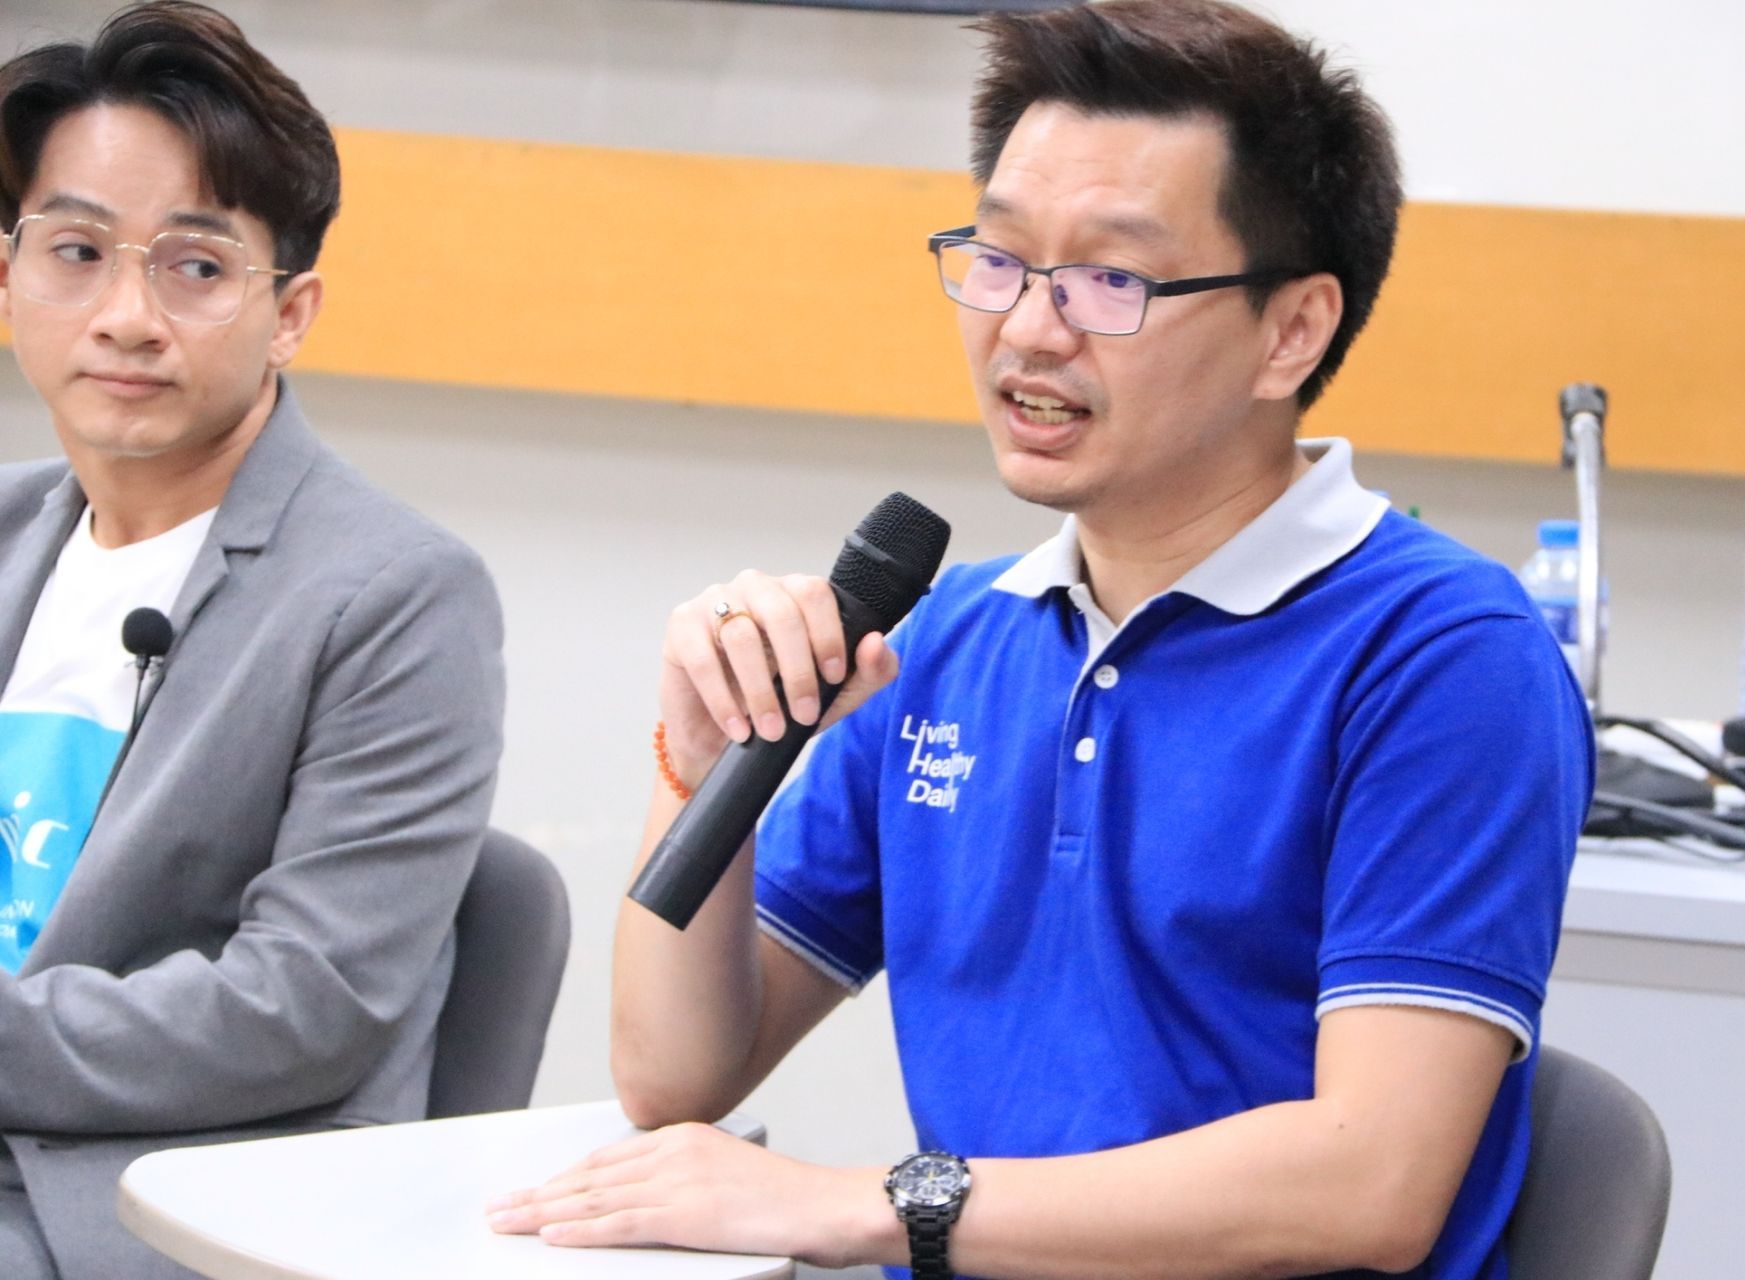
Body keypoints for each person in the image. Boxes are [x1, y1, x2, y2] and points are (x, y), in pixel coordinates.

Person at [488, 2, 1590, 1277]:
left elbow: (1368, 1182)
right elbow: (675, 1074)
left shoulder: (1443, 654)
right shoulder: (952, 634)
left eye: (1111, 279)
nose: (1027, 329)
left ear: (1291, 331)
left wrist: (871, 1204)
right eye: (1001, 258)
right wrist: (697, 762)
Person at [0, 4, 505, 1276]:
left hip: (133, 1199)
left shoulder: (398, 595)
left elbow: (305, 1004)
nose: (126, 315)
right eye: (76, 251)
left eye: (195, 265)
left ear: (289, 310)